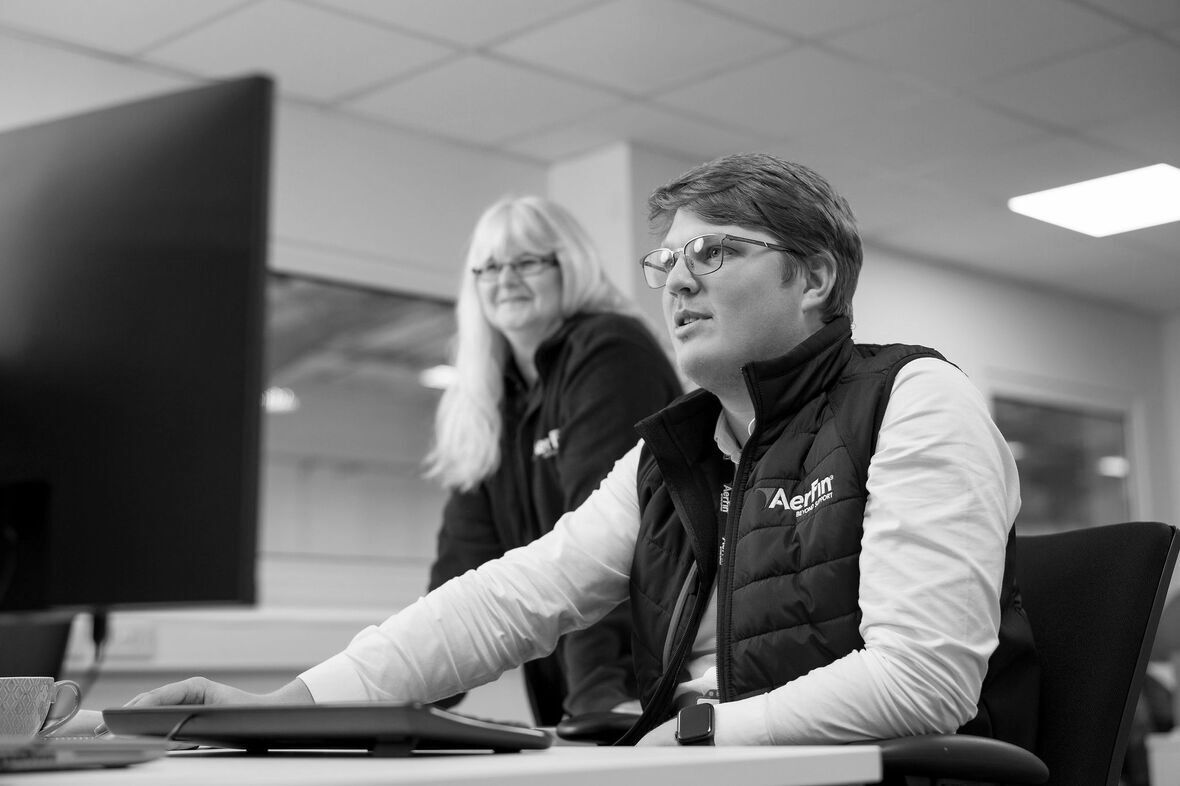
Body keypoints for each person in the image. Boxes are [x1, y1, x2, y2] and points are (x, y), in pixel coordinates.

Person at [128, 153, 1039, 749]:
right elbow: (511, 597)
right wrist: (300, 705)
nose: (677, 277)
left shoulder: (915, 402)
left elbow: (924, 680)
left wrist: (695, 736)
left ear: (814, 277)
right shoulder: (674, 454)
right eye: (668, 261)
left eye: (715, 252)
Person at [422, 195, 681, 724]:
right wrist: (403, 699)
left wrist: (598, 699)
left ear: (570, 265)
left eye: (527, 261)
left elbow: (603, 545)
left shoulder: (610, 350)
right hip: (577, 700)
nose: (506, 279)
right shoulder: (491, 400)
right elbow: (460, 569)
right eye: (490, 266)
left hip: (642, 687)